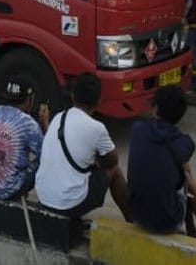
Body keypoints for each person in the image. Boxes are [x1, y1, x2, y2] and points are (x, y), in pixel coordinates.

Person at [127, 85, 196, 238]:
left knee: (179, 169)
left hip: (136, 214)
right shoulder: (185, 142)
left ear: (155, 108)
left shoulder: (137, 129)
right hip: (167, 222)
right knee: (185, 174)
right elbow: (184, 175)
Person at [35, 74, 131, 222]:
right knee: (114, 171)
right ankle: (131, 219)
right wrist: (97, 159)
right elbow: (113, 160)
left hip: (43, 196)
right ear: (99, 102)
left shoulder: (58, 117)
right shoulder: (97, 128)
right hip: (68, 205)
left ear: (73, 96)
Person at [0, 78, 49, 200]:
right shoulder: (28, 123)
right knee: (41, 162)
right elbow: (47, 154)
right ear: (30, 99)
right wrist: (45, 124)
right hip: (8, 191)